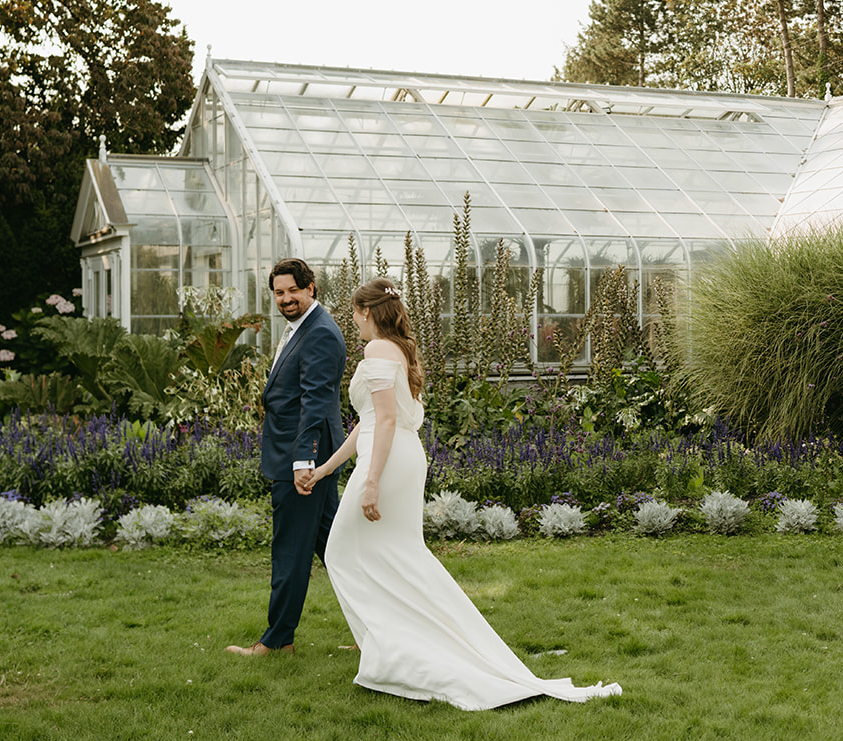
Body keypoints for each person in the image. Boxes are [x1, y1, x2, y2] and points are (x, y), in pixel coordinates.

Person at [303, 276, 622, 709]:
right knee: (394, 556)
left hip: (388, 460)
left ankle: (394, 650)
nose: (352, 322)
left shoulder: (377, 349)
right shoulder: (400, 349)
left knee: (344, 550)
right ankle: (392, 644)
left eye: (355, 314)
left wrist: (372, 481)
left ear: (366, 312)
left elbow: (385, 421)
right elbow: (368, 422)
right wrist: (325, 470)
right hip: (397, 455)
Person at [226, 258, 346, 657]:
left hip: (303, 461)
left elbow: (315, 401)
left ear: (311, 288)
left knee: (291, 551)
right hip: (300, 456)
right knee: (343, 552)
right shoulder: (303, 328)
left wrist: (302, 462)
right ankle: (385, 631)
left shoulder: (320, 332)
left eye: (293, 290)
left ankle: (277, 642)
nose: (286, 299)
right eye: (279, 292)